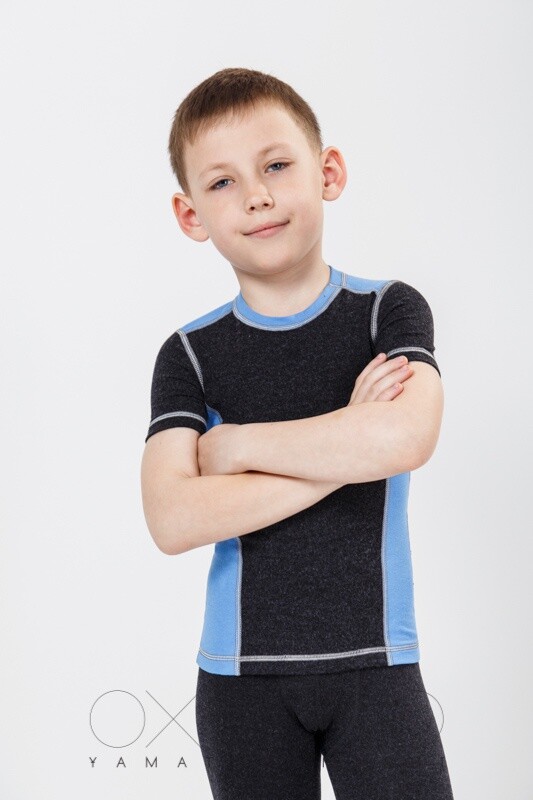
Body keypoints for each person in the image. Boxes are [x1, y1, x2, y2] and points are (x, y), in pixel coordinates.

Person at [140, 67, 455, 800]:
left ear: (327, 172)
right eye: (222, 182)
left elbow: (406, 438)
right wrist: (350, 440)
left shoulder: (387, 310)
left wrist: (236, 447)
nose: (256, 195)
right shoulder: (189, 354)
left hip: (377, 664)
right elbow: (172, 517)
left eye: (276, 166)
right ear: (190, 214)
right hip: (240, 681)